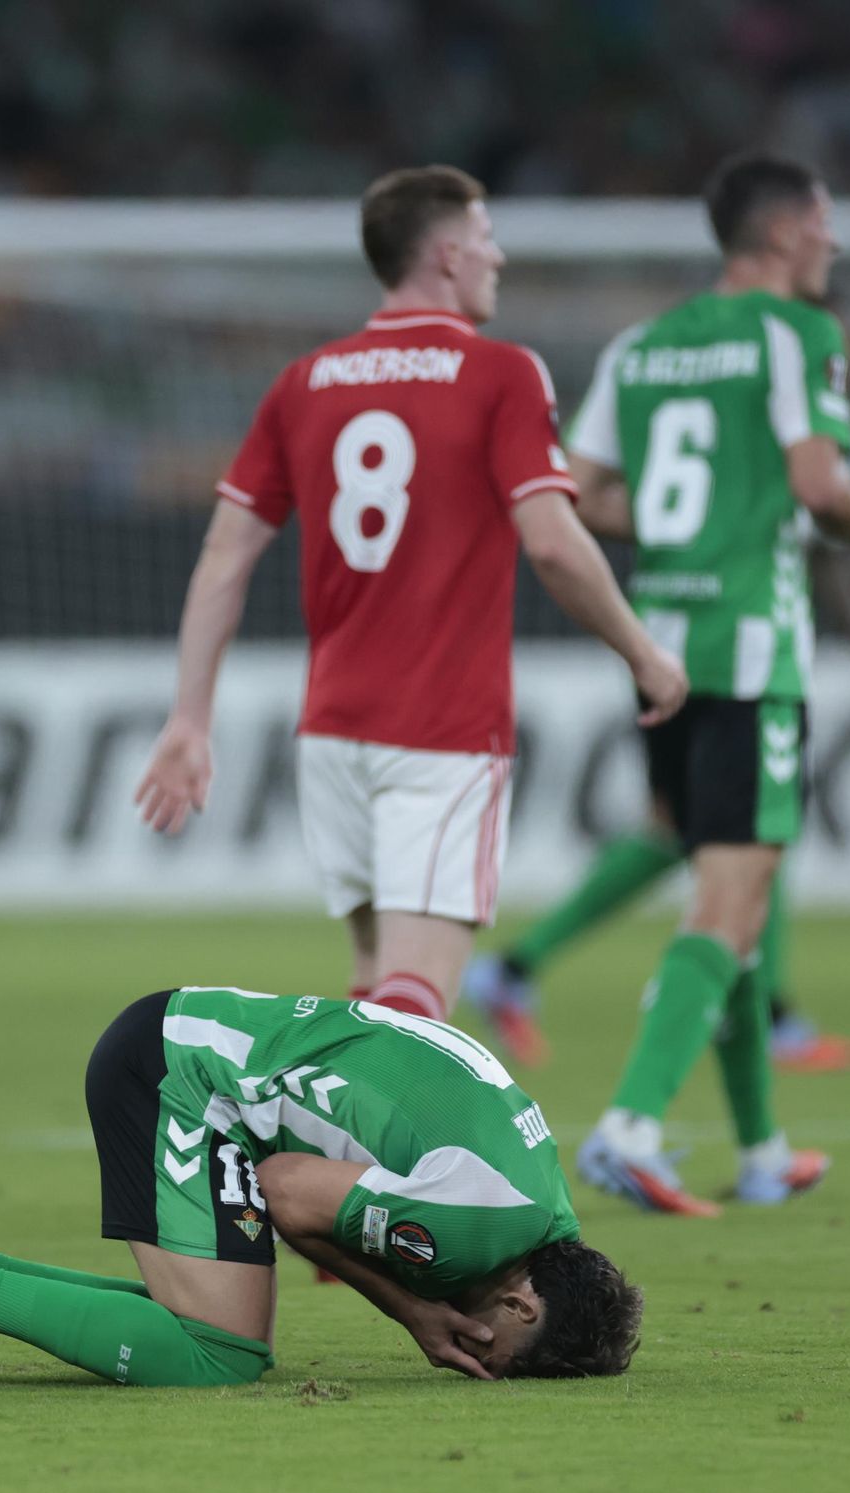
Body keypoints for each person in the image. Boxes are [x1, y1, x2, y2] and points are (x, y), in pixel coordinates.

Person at [134, 166, 686, 1025]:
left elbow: (225, 558)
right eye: (488, 236)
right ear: (449, 253)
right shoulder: (501, 373)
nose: (498, 255)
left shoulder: (305, 381)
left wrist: (188, 719)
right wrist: (643, 652)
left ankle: (337, 1159)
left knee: (372, 988)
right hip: (444, 730)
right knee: (415, 1010)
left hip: (331, 735)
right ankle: (329, 1161)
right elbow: (552, 540)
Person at [542, 151, 850, 1216]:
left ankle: (760, 1149)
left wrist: (682, 528)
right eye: (825, 221)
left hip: (658, 650)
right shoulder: (799, 334)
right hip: (752, 653)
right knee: (729, 899)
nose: (834, 242)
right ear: (788, 230)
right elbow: (816, 480)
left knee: (736, 896)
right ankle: (629, 1124)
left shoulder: (642, 346)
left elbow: (578, 495)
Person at [0, 986, 643, 1388]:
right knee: (221, 1351)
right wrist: (410, 1306)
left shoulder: (544, 1209)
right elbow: (287, 1188)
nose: (486, 1365)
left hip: (192, 1050)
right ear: (523, 1306)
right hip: (177, 1079)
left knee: (209, 1316)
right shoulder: (474, 1233)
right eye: (505, 1358)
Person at [463, 523, 850, 1075]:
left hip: (665, 639)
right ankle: (766, 1018)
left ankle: (513, 969)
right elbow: (822, 562)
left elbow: (592, 495)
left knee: (678, 830)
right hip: (741, 659)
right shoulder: (794, 450)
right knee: (756, 827)